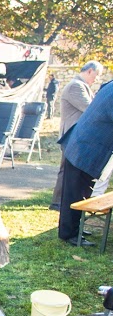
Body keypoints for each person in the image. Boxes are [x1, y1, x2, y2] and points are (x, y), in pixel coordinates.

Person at [57, 80, 113, 246]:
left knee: (80, 191)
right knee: (75, 194)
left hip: (84, 144)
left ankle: (75, 227)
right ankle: (70, 234)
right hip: (85, 147)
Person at [50, 61, 104, 210]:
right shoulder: (76, 86)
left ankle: (59, 201)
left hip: (74, 135)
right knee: (67, 170)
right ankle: (59, 202)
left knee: (67, 170)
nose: (96, 79)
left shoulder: (81, 86)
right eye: (96, 75)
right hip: (72, 135)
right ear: (89, 71)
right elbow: (90, 108)